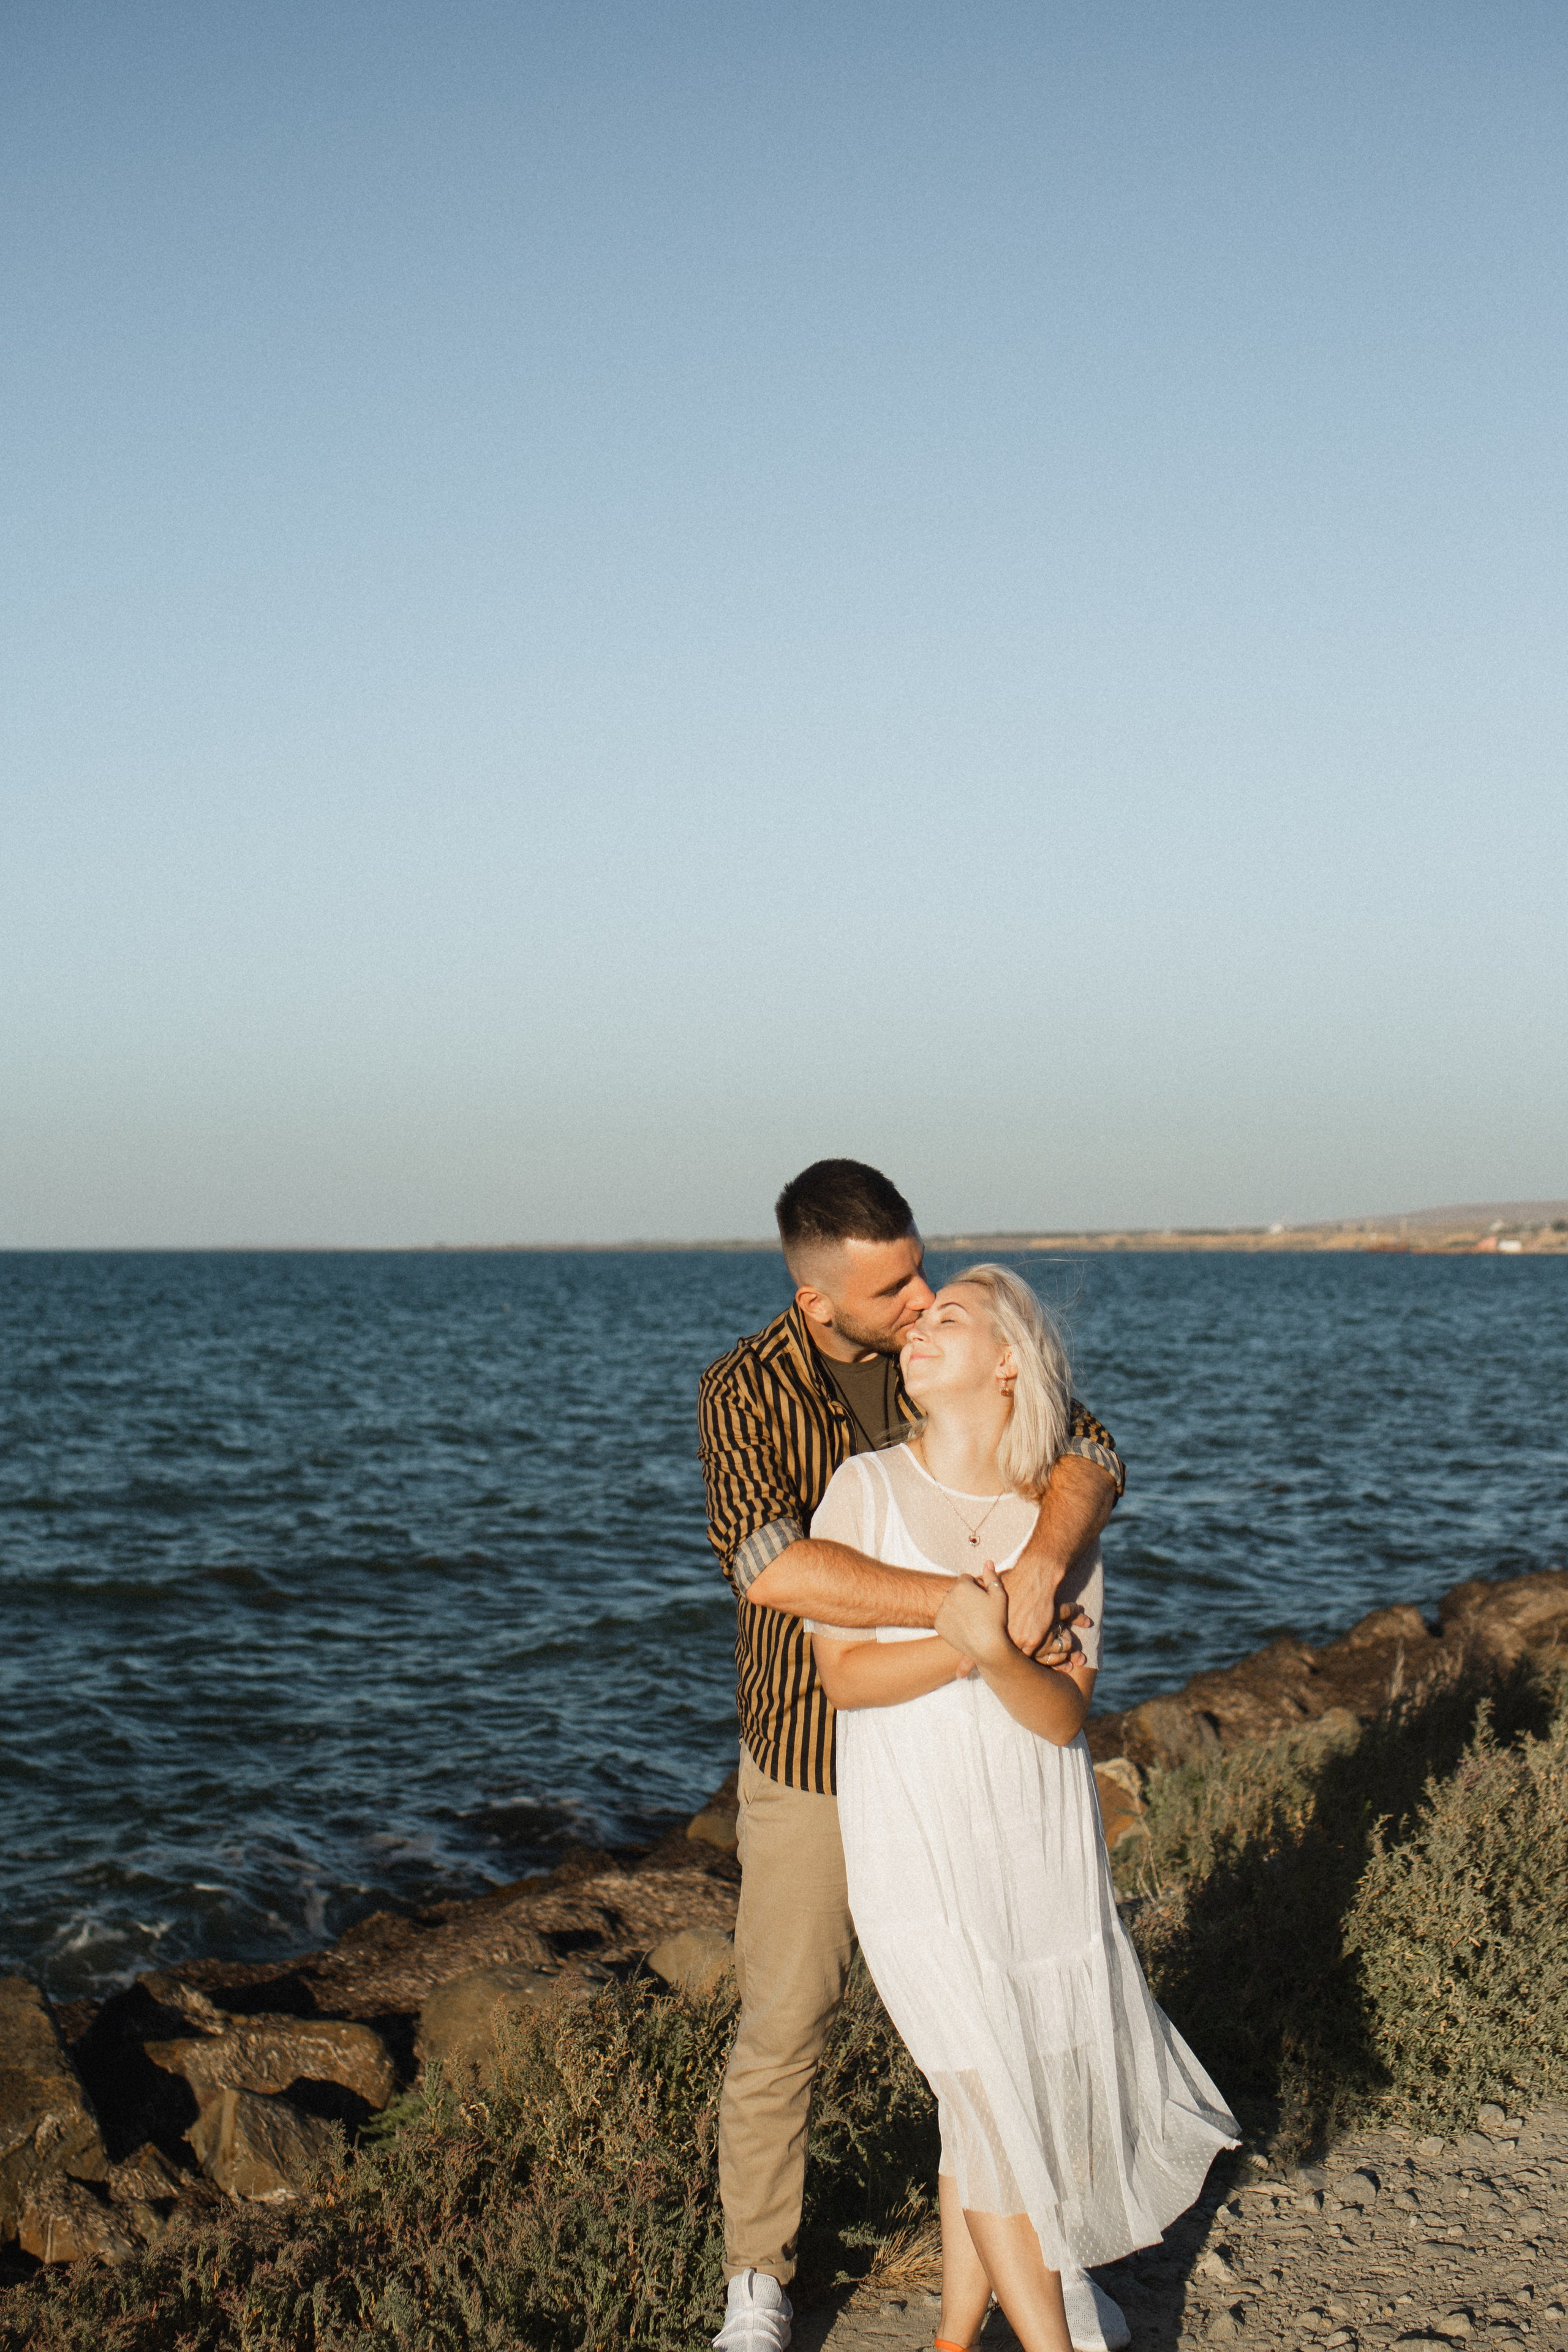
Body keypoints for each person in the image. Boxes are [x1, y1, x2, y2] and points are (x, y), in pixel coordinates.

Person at [698, 1162, 1128, 2352]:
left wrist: (1038, 1568)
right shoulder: (743, 1391)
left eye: (922, 1269)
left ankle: (1033, 2248)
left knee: (995, 2021)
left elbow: (1082, 1441)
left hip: (966, 1752)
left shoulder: (934, 1344)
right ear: (815, 1296)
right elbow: (772, 1567)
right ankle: (757, 2280)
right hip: (816, 1749)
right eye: (892, 1288)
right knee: (788, 2016)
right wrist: (969, 1606)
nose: (920, 1295)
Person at [807, 1264, 1238, 2352]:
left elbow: (1060, 1717)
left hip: (1034, 1836)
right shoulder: (861, 1489)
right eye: (918, 1316)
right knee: (988, 2091)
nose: (920, 1325)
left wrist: (1000, 1650)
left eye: (952, 1315)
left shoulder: (1057, 1520)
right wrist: (971, 1646)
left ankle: (955, 2339)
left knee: (990, 2099)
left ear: (1010, 1362)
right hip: (913, 1841)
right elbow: (843, 1677)